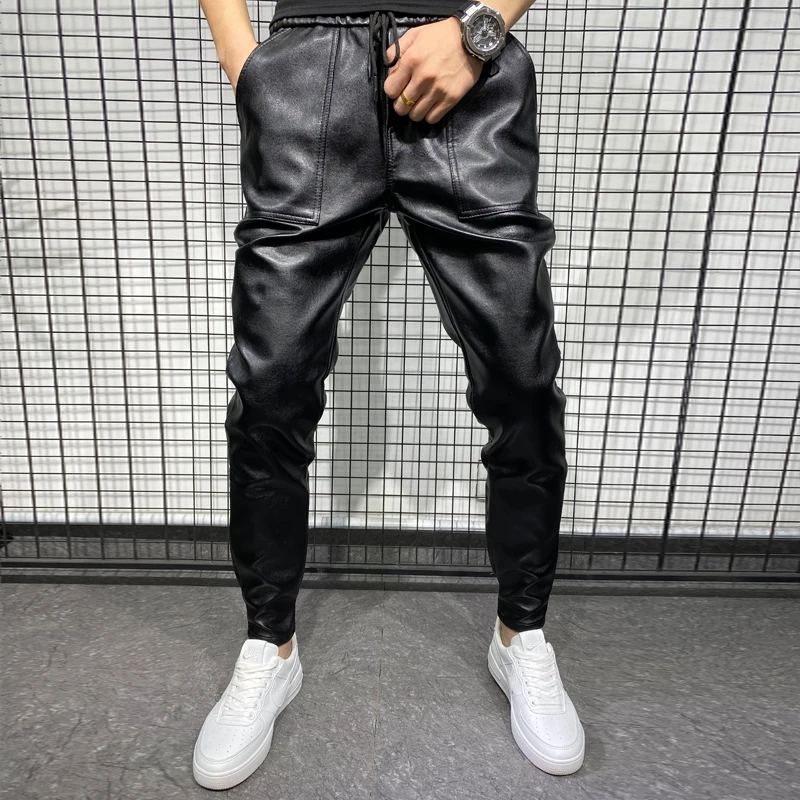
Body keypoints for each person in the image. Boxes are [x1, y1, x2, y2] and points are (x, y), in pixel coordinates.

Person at [193, 0, 584, 789]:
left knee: (521, 377)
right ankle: (270, 645)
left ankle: (521, 636)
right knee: (270, 387)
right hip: (306, 73)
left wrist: (480, 30)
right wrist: (250, 66)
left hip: (464, 70)